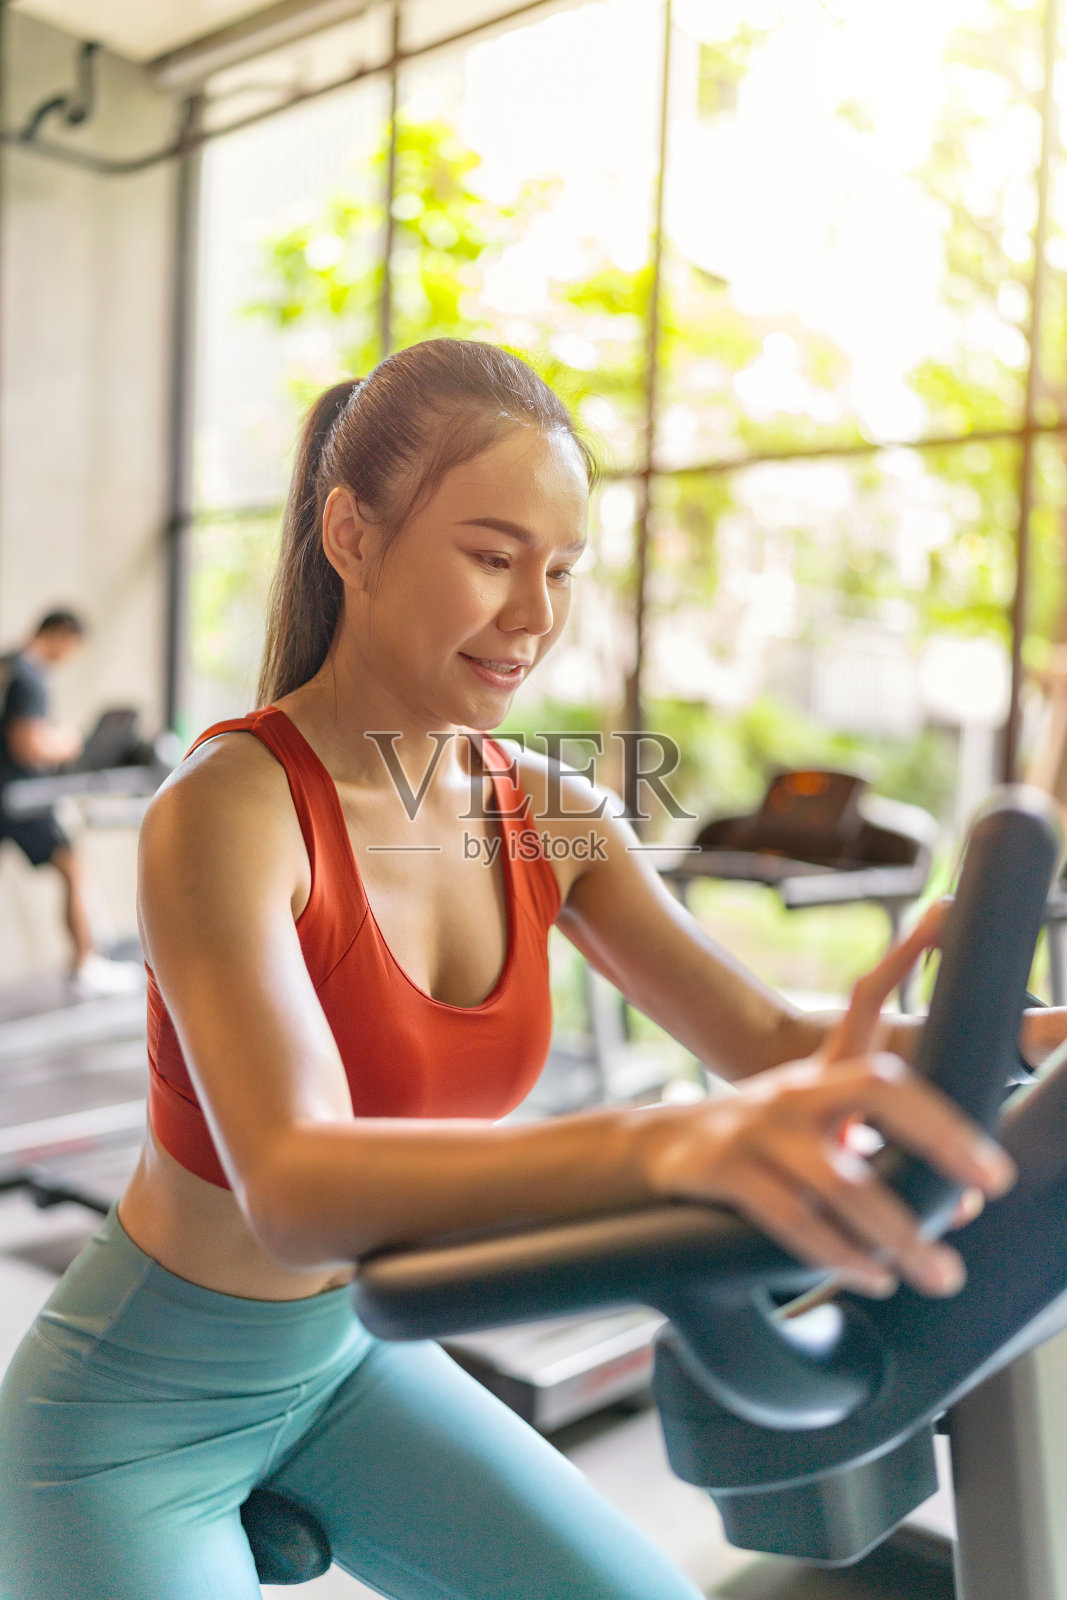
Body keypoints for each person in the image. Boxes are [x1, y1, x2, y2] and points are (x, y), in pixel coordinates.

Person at [0, 341, 1055, 1600]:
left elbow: (769, 1040)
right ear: (350, 533)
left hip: (349, 1363)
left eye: (558, 570)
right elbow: (293, 1178)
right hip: (131, 1419)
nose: (533, 616)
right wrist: (666, 1148)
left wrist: (1025, 1035)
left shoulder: (550, 811)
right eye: (492, 557)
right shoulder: (231, 808)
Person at [0, 610, 141, 998]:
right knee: (73, 867)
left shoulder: (7, 666)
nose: (68, 657)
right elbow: (26, 745)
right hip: (16, 797)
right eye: (72, 648)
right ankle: (86, 965)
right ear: (61, 635)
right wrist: (64, 741)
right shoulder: (30, 677)